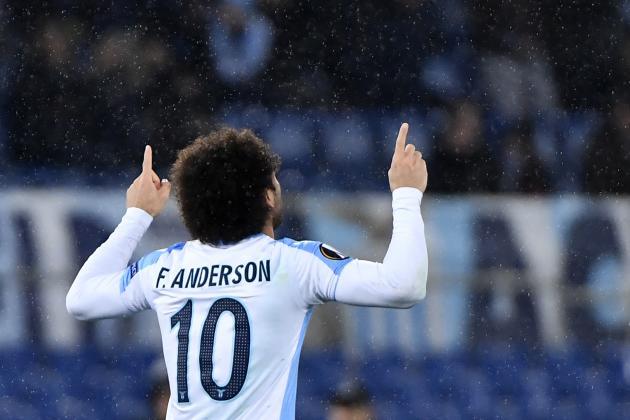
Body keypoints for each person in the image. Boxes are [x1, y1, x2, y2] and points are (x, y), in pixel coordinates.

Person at [66, 123, 428, 419]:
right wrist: (407, 195)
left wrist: (137, 215)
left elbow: (80, 299)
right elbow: (403, 286)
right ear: (267, 196)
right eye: (275, 180)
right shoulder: (292, 263)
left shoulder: (165, 267)